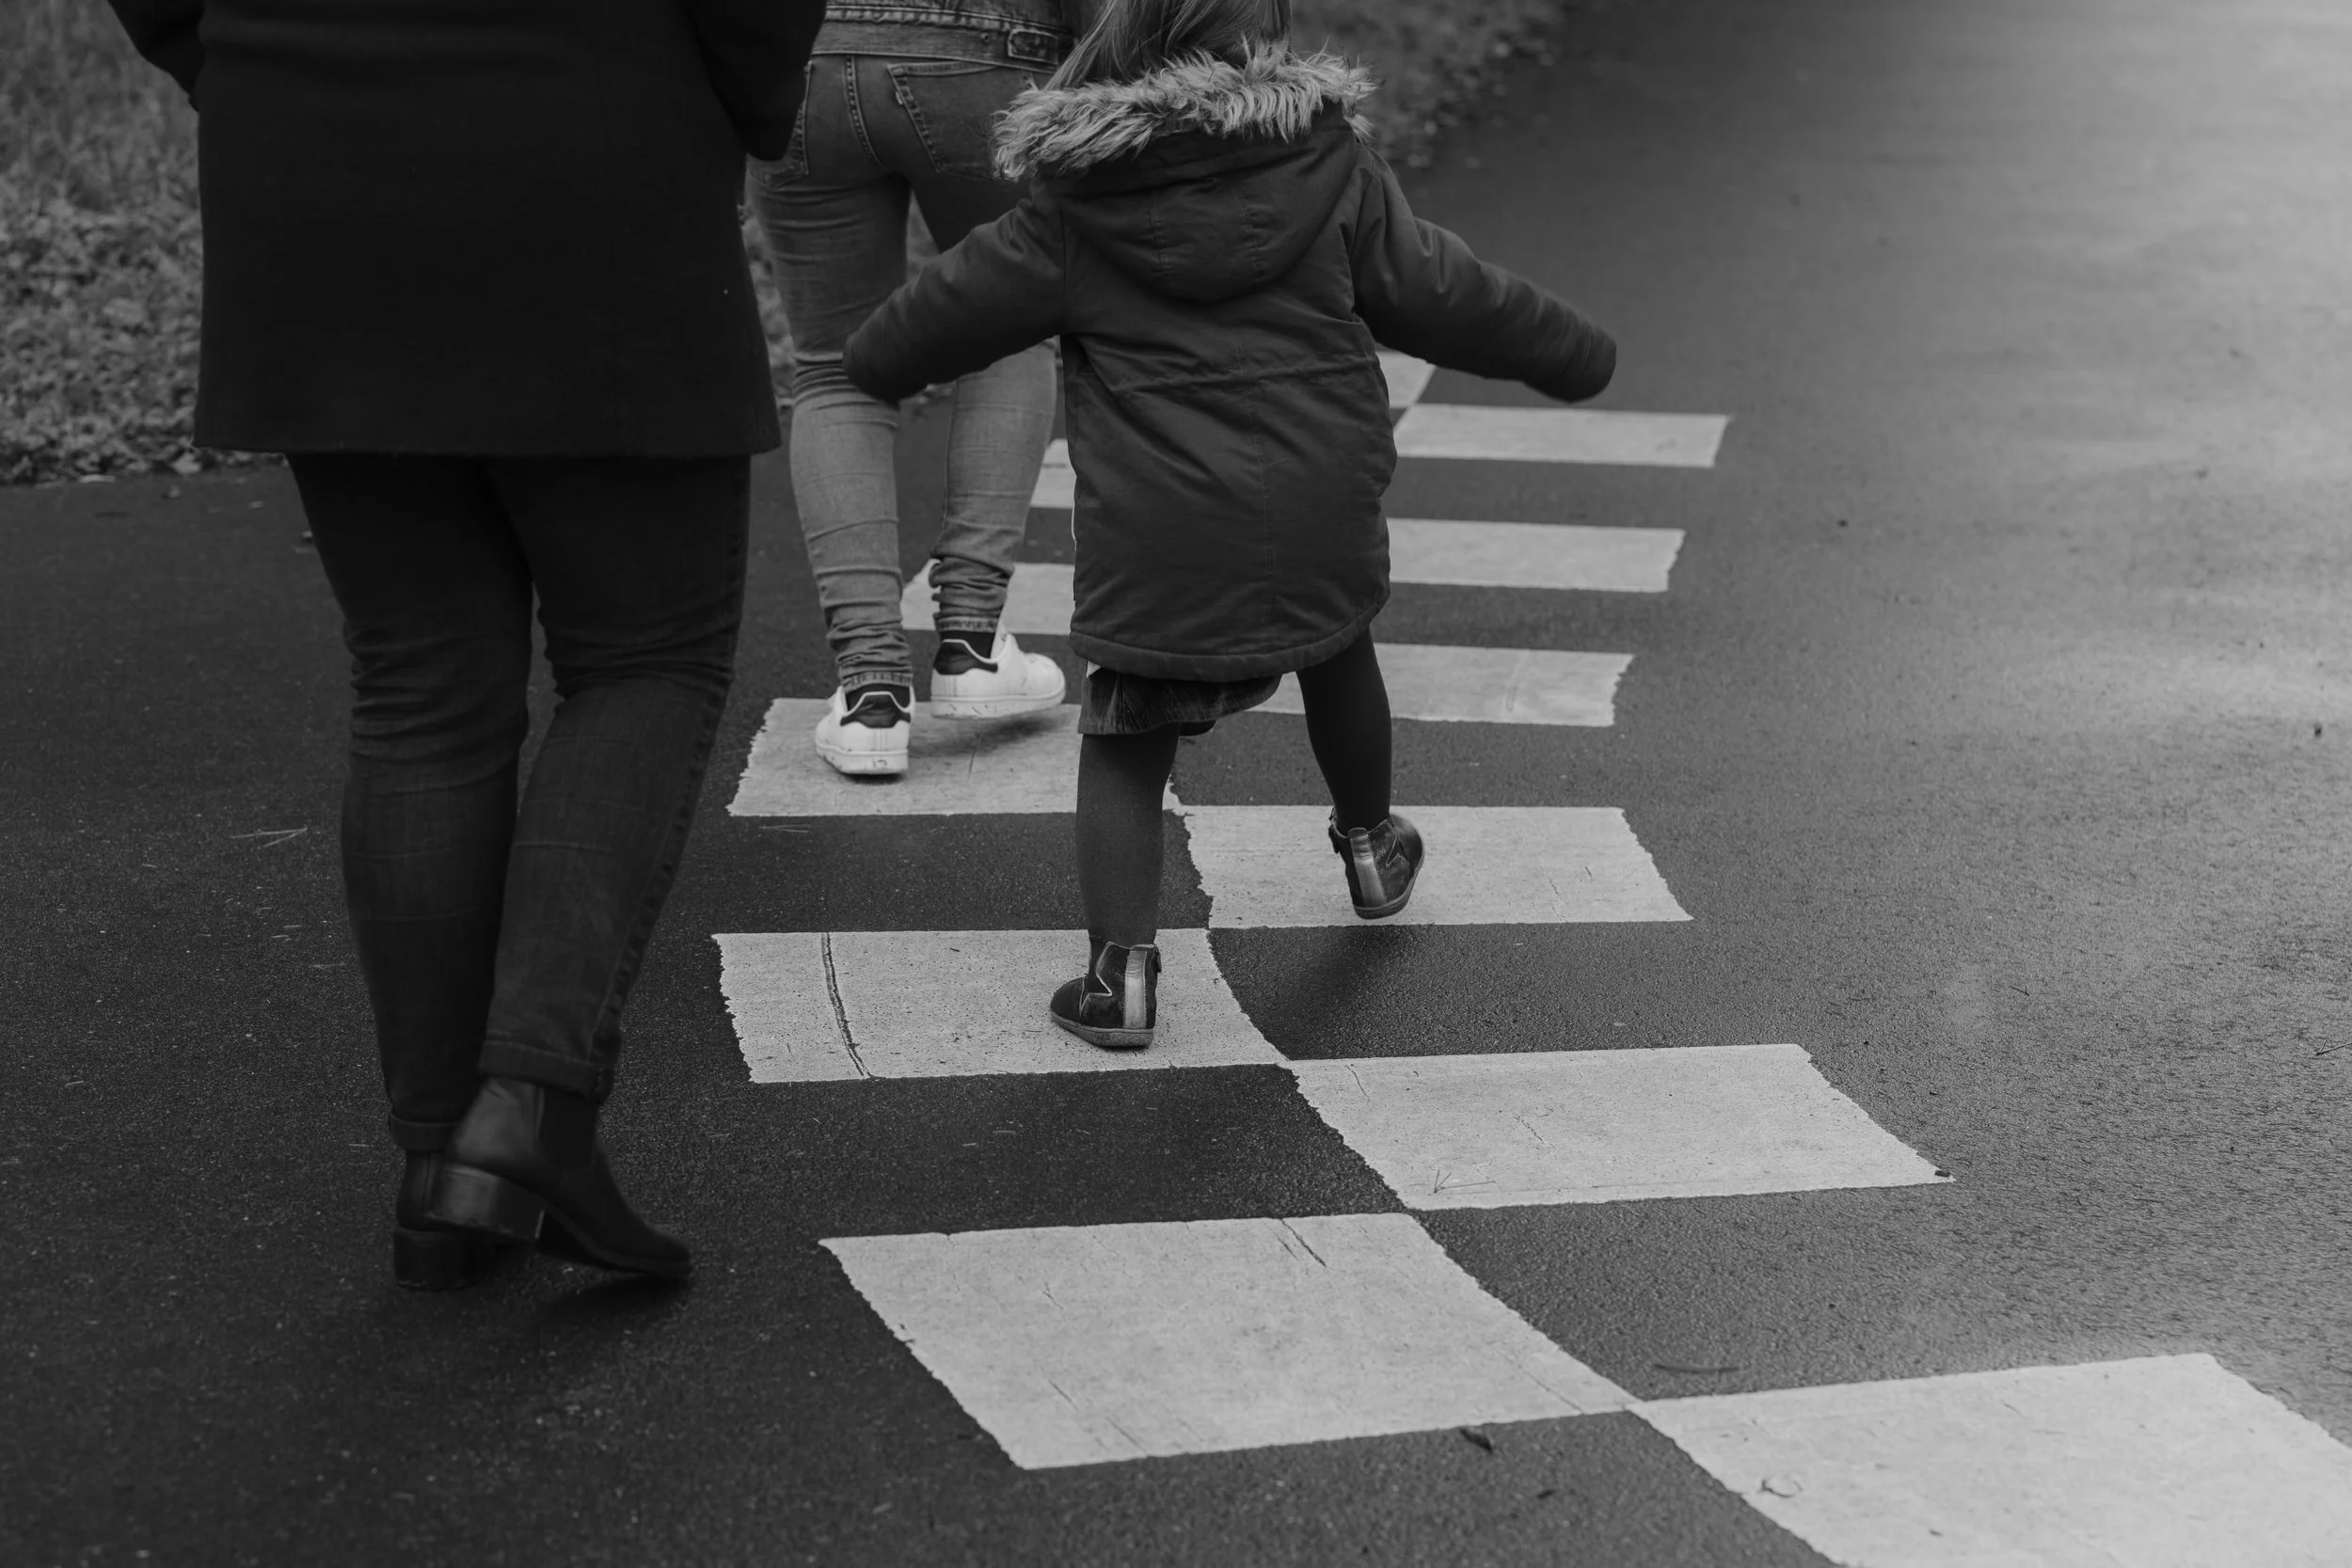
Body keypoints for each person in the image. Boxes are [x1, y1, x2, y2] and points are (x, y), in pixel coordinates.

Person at [104, 0, 827, 1286]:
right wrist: (740, 92)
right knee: (646, 654)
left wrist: (252, 56)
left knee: (423, 682)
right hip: (595, 130)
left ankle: (442, 1162)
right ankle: (528, 1111)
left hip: (308, 150)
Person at [842, 0, 1616, 1047]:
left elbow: (940, 313)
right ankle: (1371, 845)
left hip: (1160, 529)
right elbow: (1448, 291)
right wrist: (1570, 349)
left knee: (1128, 734)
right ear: (1258, 37)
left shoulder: (1075, 202)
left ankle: (1119, 977)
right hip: (1318, 497)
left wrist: (872, 363)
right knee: (1337, 645)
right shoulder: (1328, 164)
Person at [750, 0, 1092, 777]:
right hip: (985, 53)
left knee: (832, 368)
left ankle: (870, 691)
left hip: (804, 52)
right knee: (1010, 329)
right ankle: (972, 643)